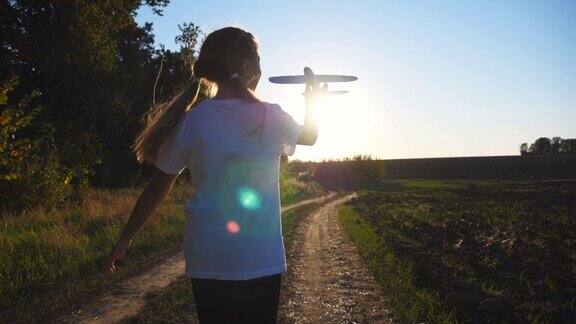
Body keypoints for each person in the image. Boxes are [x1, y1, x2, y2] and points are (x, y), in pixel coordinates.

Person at [105, 26, 320, 323]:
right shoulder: (272, 117)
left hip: (208, 257)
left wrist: (125, 239)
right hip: (260, 258)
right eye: (257, 63)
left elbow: (157, 187)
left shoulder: (193, 121)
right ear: (246, 67)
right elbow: (310, 136)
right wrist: (313, 98)